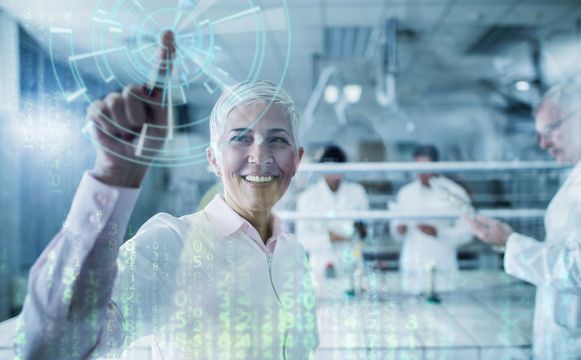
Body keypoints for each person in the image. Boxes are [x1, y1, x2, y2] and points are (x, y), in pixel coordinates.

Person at [15, 31, 318, 359]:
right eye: (241, 138)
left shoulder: (295, 255)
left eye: (277, 140)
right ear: (213, 160)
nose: (259, 156)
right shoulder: (172, 244)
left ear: (296, 160)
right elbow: (56, 347)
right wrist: (113, 176)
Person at [464, 84, 581, 359]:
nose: (543, 143)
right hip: (578, 337)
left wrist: (510, 243)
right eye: (539, 134)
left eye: (550, 130)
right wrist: (507, 242)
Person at [391, 145, 473, 274]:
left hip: (442, 265)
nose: (422, 172)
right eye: (418, 167)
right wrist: (399, 230)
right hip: (411, 266)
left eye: (426, 167)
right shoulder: (405, 193)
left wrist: (439, 232)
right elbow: (395, 229)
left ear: (436, 165)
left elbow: (468, 232)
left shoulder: (455, 193)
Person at [295, 145, 369, 276]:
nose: (336, 174)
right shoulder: (307, 198)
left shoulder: (357, 192)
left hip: (352, 262)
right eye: (331, 168)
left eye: (339, 167)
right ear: (322, 169)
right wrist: (329, 238)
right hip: (321, 265)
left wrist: (361, 231)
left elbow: (366, 229)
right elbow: (302, 239)